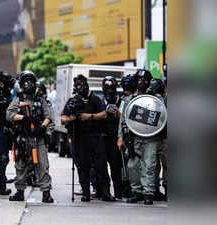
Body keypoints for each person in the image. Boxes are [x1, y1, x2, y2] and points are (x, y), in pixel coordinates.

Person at [61, 74, 115, 202]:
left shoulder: (95, 99)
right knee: (82, 167)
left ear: (85, 85)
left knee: (101, 166)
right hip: (79, 138)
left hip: (95, 137)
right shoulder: (72, 101)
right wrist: (70, 119)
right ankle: (86, 192)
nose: (78, 88)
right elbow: (62, 118)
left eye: (80, 85)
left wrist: (89, 116)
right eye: (76, 85)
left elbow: (104, 114)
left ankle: (105, 192)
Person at [6, 71, 54, 203]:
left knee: (42, 165)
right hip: (23, 138)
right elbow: (9, 115)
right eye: (26, 82)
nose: (29, 85)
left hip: (38, 138)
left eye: (31, 82)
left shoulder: (40, 99)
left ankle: (46, 193)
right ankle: (20, 192)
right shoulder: (18, 99)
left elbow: (48, 116)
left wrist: (42, 127)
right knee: (21, 165)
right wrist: (24, 118)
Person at [117, 69, 162, 205]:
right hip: (133, 138)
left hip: (151, 137)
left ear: (149, 82)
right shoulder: (129, 99)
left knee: (149, 165)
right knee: (133, 165)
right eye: (139, 79)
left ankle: (148, 193)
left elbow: (163, 118)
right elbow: (123, 120)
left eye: (145, 79)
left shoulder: (156, 99)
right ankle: (137, 192)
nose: (142, 82)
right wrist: (120, 137)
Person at [100, 76, 124, 199]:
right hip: (103, 139)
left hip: (115, 139)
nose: (109, 90)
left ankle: (119, 192)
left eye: (112, 87)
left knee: (116, 168)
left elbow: (127, 120)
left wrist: (118, 113)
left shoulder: (122, 101)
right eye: (107, 88)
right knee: (102, 167)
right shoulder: (99, 102)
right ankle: (105, 192)